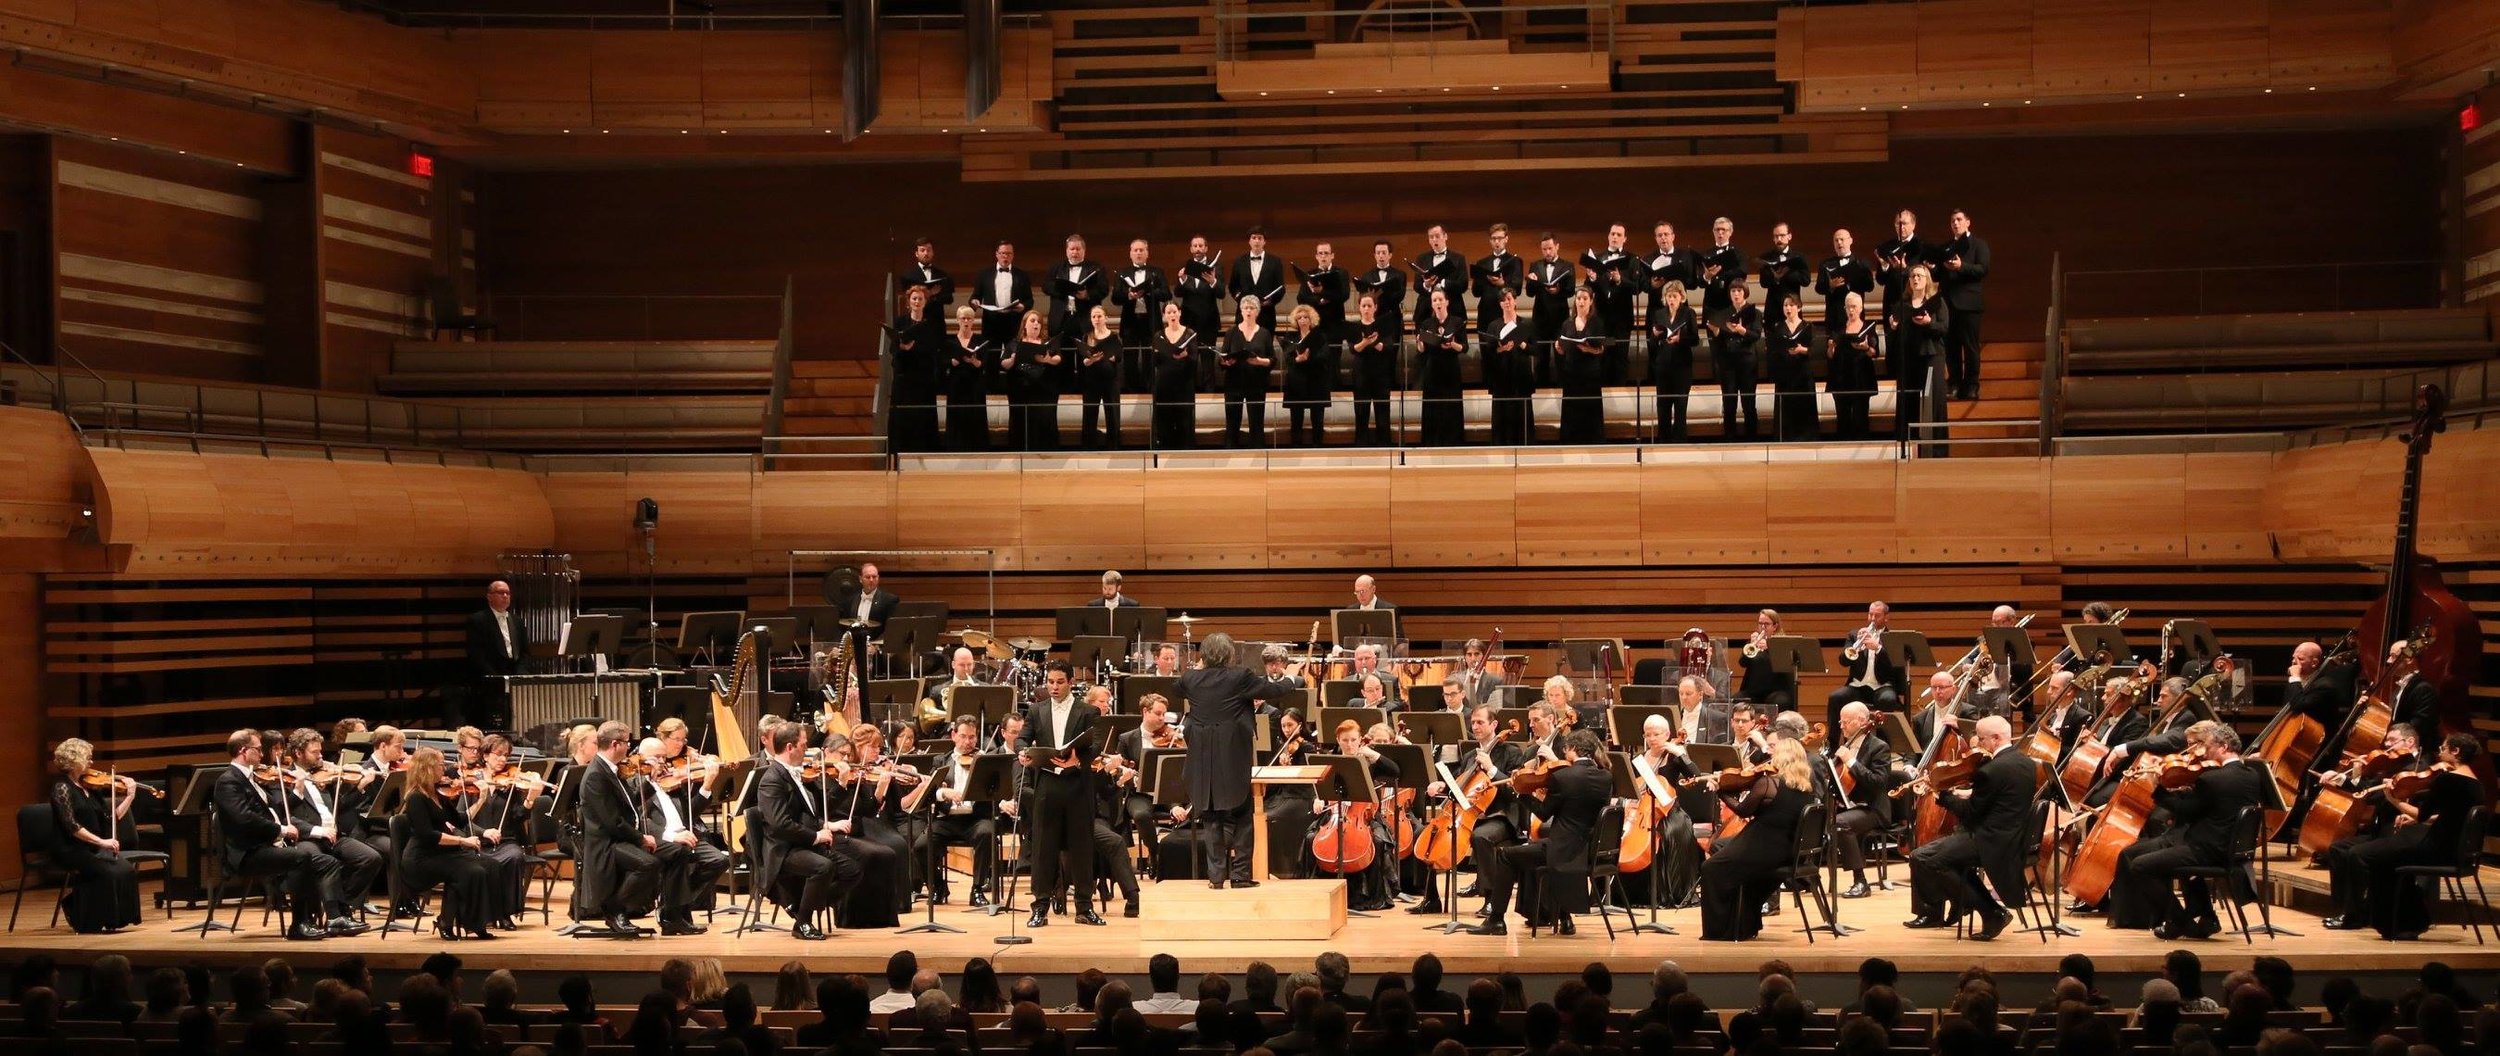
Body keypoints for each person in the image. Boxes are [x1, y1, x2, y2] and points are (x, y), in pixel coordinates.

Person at [2109, 720, 2268, 939]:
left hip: (2206, 849)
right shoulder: (2252, 775)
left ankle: (2180, 921)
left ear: (2223, 747)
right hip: (2233, 849)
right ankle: (2202, 915)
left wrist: (2159, 788)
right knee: (2165, 855)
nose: (2205, 753)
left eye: (2209, 748)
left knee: (2140, 865)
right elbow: (2208, 805)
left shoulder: (2212, 778)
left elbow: (2185, 811)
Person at [1171, 633, 1307, 887]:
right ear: (1229, 654)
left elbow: (1176, 687)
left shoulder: (1190, 678)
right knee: (1243, 813)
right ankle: (1241, 876)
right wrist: (1290, 675)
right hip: (1232, 755)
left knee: (1211, 816)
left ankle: (1216, 878)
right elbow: (1275, 690)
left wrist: (1201, 667)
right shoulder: (1240, 676)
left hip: (1201, 758)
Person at [2327, 732, 2487, 939]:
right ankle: (2411, 921)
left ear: (2455, 752)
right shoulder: (2476, 784)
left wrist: (2393, 799)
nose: (2440, 752)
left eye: (2444, 748)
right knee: (2384, 858)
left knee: (2362, 853)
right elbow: (2453, 817)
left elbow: (2422, 815)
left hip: (2435, 849)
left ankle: (2378, 919)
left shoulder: (2448, 780)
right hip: (2454, 850)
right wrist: (2413, 818)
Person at [213, 729, 355, 940]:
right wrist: (281, 830)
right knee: (300, 857)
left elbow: (278, 809)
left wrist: (297, 790)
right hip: (247, 853)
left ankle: (331, 917)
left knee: (325, 862)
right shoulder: (228, 781)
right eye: (258, 749)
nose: (262, 754)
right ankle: (299, 924)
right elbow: (243, 818)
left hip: (266, 846)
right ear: (243, 751)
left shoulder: (251, 778)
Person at [1902, 715, 2036, 940]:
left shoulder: (1991, 770)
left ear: (1995, 738)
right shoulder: (2025, 762)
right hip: (2011, 836)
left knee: (1923, 857)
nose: (1977, 744)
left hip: (1989, 840)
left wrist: (1941, 794)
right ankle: (1964, 904)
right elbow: (1999, 798)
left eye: (1981, 739)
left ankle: (1987, 910)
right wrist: (1967, 792)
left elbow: (1970, 814)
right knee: (1940, 857)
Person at [1468, 729, 1611, 935]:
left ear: (1573, 749)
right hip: (1588, 851)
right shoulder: (1605, 776)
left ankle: (1496, 920)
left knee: (1506, 855)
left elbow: (1544, 814)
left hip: (1562, 852)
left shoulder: (1564, 776)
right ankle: (1564, 918)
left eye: (1566, 749)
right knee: (1532, 847)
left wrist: (1521, 793)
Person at [752, 720, 864, 941]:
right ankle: (802, 922)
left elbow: (816, 811)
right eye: (804, 745)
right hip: (783, 850)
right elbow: (779, 824)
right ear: (790, 747)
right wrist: (815, 836)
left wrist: (841, 785)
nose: (808, 749)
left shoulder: (796, 773)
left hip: (800, 843)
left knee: (853, 870)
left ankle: (803, 906)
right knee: (823, 867)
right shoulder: (772, 780)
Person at [1697, 735, 1815, 940]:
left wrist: (1721, 791)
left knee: (1711, 868)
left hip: (1763, 848)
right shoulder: (1805, 788)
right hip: (1786, 851)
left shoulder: (1769, 783)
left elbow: (1743, 811)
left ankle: (1721, 930)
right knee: (1722, 847)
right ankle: (1743, 924)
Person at [1020, 661, 1103, 925]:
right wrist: (1022, 752)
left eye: (1059, 682)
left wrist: (1077, 760)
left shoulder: (1087, 711)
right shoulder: (1036, 710)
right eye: (1050, 682)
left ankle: (1083, 907)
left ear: (1070, 682)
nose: (1054, 687)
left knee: (1082, 848)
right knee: (1044, 847)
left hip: (1078, 785)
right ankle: (1040, 908)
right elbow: (1023, 738)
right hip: (1048, 785)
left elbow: (1097, 744)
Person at [277, 728, 386, 924]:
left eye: (321, 751)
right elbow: (283, 816)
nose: (320, 756)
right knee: (329, 863)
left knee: (371, 858)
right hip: (306, 838)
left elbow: (340, 807)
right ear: (298, 753)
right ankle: (336, 916)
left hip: (334, 836)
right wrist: (317, 830)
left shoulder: (324, 777)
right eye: (315, 752)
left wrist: (361, 788)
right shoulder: (283, 778)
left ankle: (342, 905)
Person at [631, 737, 733, 935]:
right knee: (681, 852)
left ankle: (671, 904)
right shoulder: (634, 784)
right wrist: (670, 836)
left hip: (684, 834)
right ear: (641, 758)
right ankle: (676, 914)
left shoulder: (671, 782)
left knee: (719, 860)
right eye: (656, 758)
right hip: (661, 839)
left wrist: (707, 785)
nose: (662, 763)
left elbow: (689, 813)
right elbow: (639, 820)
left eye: (663, 758)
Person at [397, 748, 500, 940]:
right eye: (441, 764)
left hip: (441, 854)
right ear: (427, 768)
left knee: (490, 864)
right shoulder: (416, 798)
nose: (445, 768)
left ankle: (477, 921)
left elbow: (461, 819)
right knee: (470, 871)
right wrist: (463, 841)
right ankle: (456, 923)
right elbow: (428, 835)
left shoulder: (437, 794)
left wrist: (481, 799)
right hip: (421, 859)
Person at [577, 721, 667, 935]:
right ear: (615, 744)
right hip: (606, 844)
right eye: (627, 743)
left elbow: (628, 804)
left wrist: (648, 782)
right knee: (647, 863)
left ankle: (669, 915)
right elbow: (612, 821)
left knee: (670, 854)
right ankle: (614, 910)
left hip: (618, 839)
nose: (630, 747)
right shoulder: (596, 775)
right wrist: (641, 839)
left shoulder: (610, 769)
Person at [45, 738, 142, 933]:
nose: (91, 763)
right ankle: (85, 917)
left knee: (126, 870)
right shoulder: (61, 788)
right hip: (70, 848)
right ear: (74, 760)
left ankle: (115, 920)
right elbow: (71, 826)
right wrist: (102, 842)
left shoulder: (89, 787)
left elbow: (111, 818)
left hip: (93, 846)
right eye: (87, 758)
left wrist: (130, 796)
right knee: (105, 872)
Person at [917, 716, 999, 907]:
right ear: (953, 735)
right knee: (921, 846)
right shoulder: (941, 760)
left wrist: (983, 774)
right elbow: (931, 792)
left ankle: (977, 889)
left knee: (987, 833)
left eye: (972, 737)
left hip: (976, 818)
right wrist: (943, 792)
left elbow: (995, 792)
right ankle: (938, 886)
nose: (967, 742)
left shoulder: (984, 761)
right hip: (947, 818)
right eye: (963, 736)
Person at [1824, 702, 1897, 898]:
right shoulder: (1844, 744)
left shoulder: (1879, 747)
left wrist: (1851, 761)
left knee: (1840, 823)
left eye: (1846, 722)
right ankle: (1803, 876)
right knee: (1812, 815)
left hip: (1872, 808)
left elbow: (1878, 783)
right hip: (1848, 806)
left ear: (1863, 721)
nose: (1841, 726)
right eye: (1840, 721)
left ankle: (1861, 881)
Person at [1887, 264, 1949, 446]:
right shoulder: (1901, 305)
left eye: (1920, 276)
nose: (1915, 279)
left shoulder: (1937, 302)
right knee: (1907, 401)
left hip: (1932, 355)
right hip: (1909, 357)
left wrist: (1929, 323)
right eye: (1912, 276)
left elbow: (1944, 329)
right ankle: (1906, 446)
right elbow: (1895, 336)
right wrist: (1893, 327)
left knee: (1936, 402)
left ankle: (1937, 449)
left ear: (1927, 279)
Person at [1936, 209, 1990, 401]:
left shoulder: (1979, 245)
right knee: (1951, 347)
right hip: (1948, 304)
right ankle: (1955, 383)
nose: (1955, 224)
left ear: (1968, 222)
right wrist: (1933, 267)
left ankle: (1972, 385)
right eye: (1952, 221)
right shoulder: (1946, 248)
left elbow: (1982, 269)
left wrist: (1962, 267)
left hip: (1969, 304)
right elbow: (1938, 276)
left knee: (1970, 347)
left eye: (1959, 220)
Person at [1826, 601, 1905, 729]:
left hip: (1882, 686)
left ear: (1886, 617)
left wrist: (1878, 648)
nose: (1872, 619)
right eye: (1870, 614)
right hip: (1857, 686)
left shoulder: (1892, 638)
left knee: (1888, 700)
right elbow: (1843, 661)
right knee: (1835, 697)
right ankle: (1831, 744)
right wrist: (1856, 646)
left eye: (1877, 615)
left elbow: (1895, 665)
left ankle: (1883, 743)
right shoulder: (1854, 635)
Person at [461, 580, 526, 731]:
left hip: (514, 677)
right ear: (489, 596)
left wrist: (521, 675)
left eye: (508, 593)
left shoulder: (517, 621)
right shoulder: (478, 620)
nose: (505, 596)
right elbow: (476, 654)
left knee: (515, 718)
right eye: (500, 592)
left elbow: (525, 653)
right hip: (490, 680)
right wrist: (495, 679)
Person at [888, 284, 944, 452]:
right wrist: (902, 347)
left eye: (920, 298)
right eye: (914, 298)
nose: (917, 301)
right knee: (903, 416)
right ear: (909, 301)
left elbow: (934, 348)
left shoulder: (931, 324)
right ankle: (900, 452)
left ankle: (925, 452)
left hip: (923, 377)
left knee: (923, 416)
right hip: (904, 376)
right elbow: (892, 348)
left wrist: (914, 347)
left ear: (925, 302)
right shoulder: (900, 322)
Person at [1581, 225, 1637, 383]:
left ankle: (1620, 401)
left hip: (1622, 318)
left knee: (1620, 359)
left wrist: (1620, 279)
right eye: (1612, 233)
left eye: (1619, 234)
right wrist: (1592, 277)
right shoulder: (1597, 259)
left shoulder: (1632, 259)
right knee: (1601, 358)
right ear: (1608, 236)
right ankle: (1602, 399)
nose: (1615, 237)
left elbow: (1636, 288)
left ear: (1624, 239)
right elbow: (1587, 289)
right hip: (1601, 318)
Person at [1110, 238, 1167, 392]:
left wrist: (1148, 291)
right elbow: (1115, 298)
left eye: (1142, 250)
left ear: (1147, 253)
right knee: (1130, 358)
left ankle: (1150, 389)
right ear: (1130, 254)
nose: (1138, 253)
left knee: (1150, 358)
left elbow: (1166, 294)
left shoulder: (1157, 272)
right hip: (1130, 322)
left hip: (1151, 322)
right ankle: (1131, 390)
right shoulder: (1122, 273)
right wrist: (1128, 296)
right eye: (1135, 250)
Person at [1002, 310, 1063, 451]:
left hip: (1043, 390)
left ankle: (1045, 452)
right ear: (1024, 325)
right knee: (1021, 420)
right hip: (1021, 389)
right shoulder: (1014, 343)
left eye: (1039, 322)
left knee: (1044, 419)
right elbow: (1003, 363)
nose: (1036, 324)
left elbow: (1058, 358)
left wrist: (1047, 359)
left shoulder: (1047, 342)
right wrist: (1012, 359)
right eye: (1033, 321)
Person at [1646, 281, 1699, 442]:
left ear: (1682, 297)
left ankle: (1679, 442)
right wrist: (1654, 336)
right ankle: (1663, 442)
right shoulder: (1659, 314)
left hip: (1682, 366)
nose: (1671, 300)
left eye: (1674, 296)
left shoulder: (1688, 313)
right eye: (1668, 296)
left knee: (1680, 406)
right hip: (1663, 365)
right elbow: (1652, 343)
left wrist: (1679, 339)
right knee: (1663, 407)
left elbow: (1695, 339)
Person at [1220, 294, 1275, 448]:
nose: (1248, 311)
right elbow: (1222, 357)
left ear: (1257, 312)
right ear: (1241, 311)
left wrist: (1259, 361)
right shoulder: (1231, 332)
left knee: (1257, 422)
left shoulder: (1264, 333)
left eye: (1252, 308)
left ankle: (1258, 454)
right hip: (1233, 383)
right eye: (1245, 308)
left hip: (1257, 383)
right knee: (1232, 421)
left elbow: (1272, 359)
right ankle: (1230, 453)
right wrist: (1226, 361)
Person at [1827, 291, 1883, 441]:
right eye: (1848, 307)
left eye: (1853, 307)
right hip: (1841, 378)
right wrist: (1831, 347)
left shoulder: (1868, 328)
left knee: (1860, 417)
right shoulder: (1838, 329)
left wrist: (1865, 348)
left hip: (1861, 378)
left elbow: (1874, 353)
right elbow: (1830, 355)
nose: (1850, 310)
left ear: (1861, 308)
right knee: (1842, 418)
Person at [1413, 288, 1467, 446]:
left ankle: (1453, 442)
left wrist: (1453, 344)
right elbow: (1422, 350)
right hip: (1433, 368)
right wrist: (1419, 342)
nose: (1437, 303)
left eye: (1440, 300)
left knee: (1451, 405)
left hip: (1451, 368)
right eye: (1434, 300)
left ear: (1447, 302)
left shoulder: (1457, 322)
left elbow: (1464, 347)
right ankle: (1432, 442)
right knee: (1433, 406)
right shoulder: (1427, 323)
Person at [1707, 282, 1760, 440]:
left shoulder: (1754, 312)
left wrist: (1742, 330)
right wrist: (1716, 332)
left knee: (1748, 402)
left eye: (1739, 291)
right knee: (1729, 402)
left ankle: (1751, 438)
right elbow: (1718, 341)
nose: (1736, 294)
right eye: (1733, 291)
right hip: (1728, 362)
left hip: (1747, 361)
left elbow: (1756, 335)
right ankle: (1729, 438)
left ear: (1745, 293)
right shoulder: (1724, 313)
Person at [1764, 295, 1820, 442]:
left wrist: (1803, 350)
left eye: (1791, 305)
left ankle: (1807, 438)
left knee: (1804, 407)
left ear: (1799, 307)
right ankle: (1785, 438)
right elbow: (1772, 350)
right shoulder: (1778, 327)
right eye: (1785, 305)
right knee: (1786, 408)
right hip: (1785, 374)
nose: (1788, 308)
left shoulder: (1808, 327)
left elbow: (1816, 350)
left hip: (1803, 374)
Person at [1554, 287, 1606, 444]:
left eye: (1585, 298)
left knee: (1590, 408)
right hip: (1571, 373)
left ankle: (1593, 441)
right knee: (1572, 409)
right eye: (1579, 299)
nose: (1581, 301)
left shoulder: (1596, 322)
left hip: (1590, 373)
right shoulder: (1567, 323)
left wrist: (1589, 349)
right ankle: (1570, 441)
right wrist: (1559, 348)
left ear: (1591, 301)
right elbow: (1563, 349)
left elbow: (1601, 349)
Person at [1484, 291, 1536, 445]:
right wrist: (1501, 349)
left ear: (1515, 301)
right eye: (1502, 300)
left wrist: (1522, 343)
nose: (1506, 302)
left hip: (1521, 375)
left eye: (1508, 298)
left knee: (1522, 415)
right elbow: (1489, 352)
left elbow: (1535, 350)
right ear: (1500, 304)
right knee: (1502, 414)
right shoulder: (1494, 325)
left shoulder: (1526, 324)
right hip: (1501, 376)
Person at [1346, 293, 1396, 447]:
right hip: (1361, 373)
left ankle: (1384, 445)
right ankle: (1361, 445)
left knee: (1382, 411)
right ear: (1359, 308)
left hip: (1381, 373)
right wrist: (1365, 342)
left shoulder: (1384, 325)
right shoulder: (1354, 327)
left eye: (1369, 306)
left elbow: (1387, 347)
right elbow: (1353, 349)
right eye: (1363, 306)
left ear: (1375, 307)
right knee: (1361, 411)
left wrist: (1374, 343)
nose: (1366, 309)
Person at [1526, 233, 1575, 385]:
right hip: (1540, 319)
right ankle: (1541, 391)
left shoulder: (1567, 266)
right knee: (1541, 360)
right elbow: (1529, 293)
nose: (1547, 252)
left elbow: (1571, 291)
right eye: (1544, 249)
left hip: (1560, 319)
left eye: (1550, 248)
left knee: (1562, 358)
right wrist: (1532, 282)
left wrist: (1558, 290)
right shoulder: (1535, 265)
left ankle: (1563, 391)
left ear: (1557, 246)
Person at [1150, 301, 1200, 450]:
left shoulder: (1189, 333)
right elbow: (1154, 362)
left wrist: (1185, 355)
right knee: (1164, 419)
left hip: (1184, 384)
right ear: (1164, 316)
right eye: (1168, 312)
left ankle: (1185, 452)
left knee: (1184, 420)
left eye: (1174, 311)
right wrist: (1157, 353)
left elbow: (1195, 359)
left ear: (1179, 313)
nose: (1172, 315)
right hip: (1164, 384)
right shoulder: (1158, 335)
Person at [1282, 304, 1333, 447]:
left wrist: (1308, 358)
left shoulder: (1320, 336)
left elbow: (1325, 356)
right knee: (1296, 418)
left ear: (1311, 320)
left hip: (1316, 380)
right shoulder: (1290, 337)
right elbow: (1288, 358)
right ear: (1296, 321)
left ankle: (1318, 446)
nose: (1303, 320)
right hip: (1296, 382)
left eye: (1306, 317)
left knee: (1317, 418)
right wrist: (1298, 359)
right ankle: (1296, 446)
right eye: (1299, 318)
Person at [943, 305, 992, 452]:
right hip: (956, 384)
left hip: (974, 384)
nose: (966, 321)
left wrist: (976, 362)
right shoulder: (950, 341)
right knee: (956, 416)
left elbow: (985, 363)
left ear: (973, 321)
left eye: (969, 318)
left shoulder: (980, 340)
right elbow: (943, 361)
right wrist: (953, 362)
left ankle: (978, 449)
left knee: (975, 416)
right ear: (957, 320)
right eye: (963, 318)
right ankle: (955, 448)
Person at [1074, 304, 1123, 450]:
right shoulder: (1086, 336)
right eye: (1093, 316)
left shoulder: (1114, 336)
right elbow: (1083, 361)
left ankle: (1113, 448)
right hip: (1091, 381)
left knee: (1112, 415)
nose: (1096, 319)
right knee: (1089, 415)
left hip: (1110, 380)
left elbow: (1119, 356)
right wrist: (1091, 360)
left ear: (1106, 318)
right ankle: (1089, 448)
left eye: (1099, 316)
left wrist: (1112, 357)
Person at [973, 240, 1033, 347]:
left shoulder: (1022, 275)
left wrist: (1023, 306)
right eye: (1002, 253)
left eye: (1009, 253)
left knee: (1013, 356)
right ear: (996, 254)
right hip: (991, 322)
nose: (1005, 256)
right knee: (991, 356)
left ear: (1013, 255)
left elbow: (1029, 300)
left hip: (1014, 322)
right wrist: (974, 301)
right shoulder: (984, 274)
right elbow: (975, 296)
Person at [1735, 608, 1796, 713]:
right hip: (1753, 691)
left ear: (1775, 626)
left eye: (1766, 624)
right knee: (1735, 700)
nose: (1762, 627)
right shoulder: (1753, 642)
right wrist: (1751, 644)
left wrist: (1770, 648)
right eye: (1760, 624)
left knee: (1779, 702)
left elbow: (1785, 666)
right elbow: (1742, 663)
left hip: (1776, 690)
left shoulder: (1782, 643)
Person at [1817, 228, 1875, 332]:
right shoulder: (1826, 264)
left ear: (1850, 240)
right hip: (1834, 316)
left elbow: (1870, 286)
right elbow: (1819, 288)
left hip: (1855, 316)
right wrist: (1830, 285)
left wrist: (1854, 280)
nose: (1839, 243)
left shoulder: (1861, 263)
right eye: (1836, 240)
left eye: (1842, 239)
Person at [1229, 228, 1285, 331]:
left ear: (1264, 241)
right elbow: (1233, 286)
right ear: (1249, 241)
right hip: (1244, 315)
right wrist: (1241, 299)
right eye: (1254, 238)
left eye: (1260, 238)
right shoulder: (1239, 261)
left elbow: (1280, 287)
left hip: (1266, 315)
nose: (1257, 241)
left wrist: (1270, 301)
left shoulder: (1275, 262)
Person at [1295, 241, 1351, 341]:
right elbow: (1301, 298)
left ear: (1332, 255)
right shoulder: (1309, 274)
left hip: (1335, 323)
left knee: (1335, 353)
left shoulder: (1341, 273)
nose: (1323, 256)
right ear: (1316, 256)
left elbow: (1344, 295)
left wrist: (1322, 292)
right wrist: (1318, 301)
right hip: (1315, 324)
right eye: (1320, 253)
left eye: (1326, 253)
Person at [904, 236, 955, 311]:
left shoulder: (942, 275)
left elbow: (949, 299)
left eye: (929, 250)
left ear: (933, 253)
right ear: (916, 254)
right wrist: (930, 293)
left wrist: (936, 296)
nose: (926, 253)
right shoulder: (908, 276)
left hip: (937, 319)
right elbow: (908, 300)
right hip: (917, 318)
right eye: (922, 250)